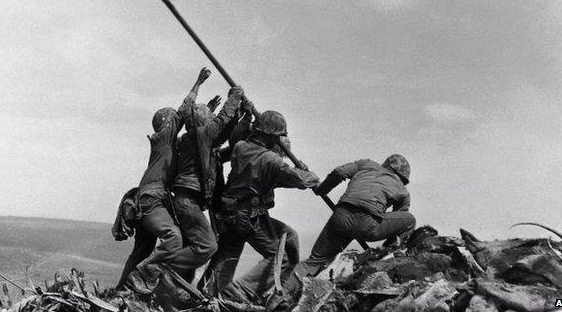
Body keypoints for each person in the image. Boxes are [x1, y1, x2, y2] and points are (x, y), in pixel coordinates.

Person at [200, 111, 320, 302]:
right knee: (282, 256)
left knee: (229, 254)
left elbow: (269, 176)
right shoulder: (271, 161)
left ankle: (205, 294)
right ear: (272, 136)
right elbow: (301, 181)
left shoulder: (240, 148)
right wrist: (309, 174)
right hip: (249, 216)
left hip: (230, 212)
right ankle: (243, 291)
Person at [271, 154, 416, 309]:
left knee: (313, 262)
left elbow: (339, 172)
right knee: (409, 220)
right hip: (368, 225)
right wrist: (389, 246)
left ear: (386, 164)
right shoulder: (402, 190)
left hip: (341, 217)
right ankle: (389, 255)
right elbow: (398, 218)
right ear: (402, 177)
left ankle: (279, 296)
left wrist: (322, 189)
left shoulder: (366, 164)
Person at [117, 68, 211, 291]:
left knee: (141, 251)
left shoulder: (165, 144)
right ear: (167, 123)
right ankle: (143, 275)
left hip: (147, 200)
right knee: (173, 237)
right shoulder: (164, 138)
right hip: (152, 200)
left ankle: (120, 290)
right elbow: (184, 109)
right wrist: (198, 83)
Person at [149, 84, 245, 283]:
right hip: (188, 201)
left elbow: (223, 136)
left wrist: (241, 116)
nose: (213, 121)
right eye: (209, 118)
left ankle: (170, 283)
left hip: (187, 201)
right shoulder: (202, 135)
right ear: (204, 122)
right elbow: (221, 122)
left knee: (194, 247)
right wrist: (234, 97)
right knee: (207, 246)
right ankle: (156, 267)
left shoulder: (195, 140)